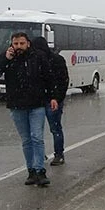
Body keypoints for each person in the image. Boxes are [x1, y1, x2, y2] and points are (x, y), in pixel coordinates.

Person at [0, 32, 57, 186]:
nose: (19, 46)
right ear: (12, 44)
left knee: (37, 137)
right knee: (26, 140)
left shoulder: (38, 57)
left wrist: (53, 97)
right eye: (16, 43)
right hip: (17, 105)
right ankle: (31, 171)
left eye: (22, 43)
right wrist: (5, 59)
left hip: (36, 104)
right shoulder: (7, 58)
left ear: (28, 44)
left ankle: (40, 170)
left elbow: (49, 77)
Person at [32, 36, 69, 165]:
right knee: (44, 129)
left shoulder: (54, 60)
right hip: (40, 100)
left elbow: (63, 81)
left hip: (50, 99)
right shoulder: (37, 60)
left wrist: (57, 98)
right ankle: (52, 154)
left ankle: (57, 154)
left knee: (51, 128)